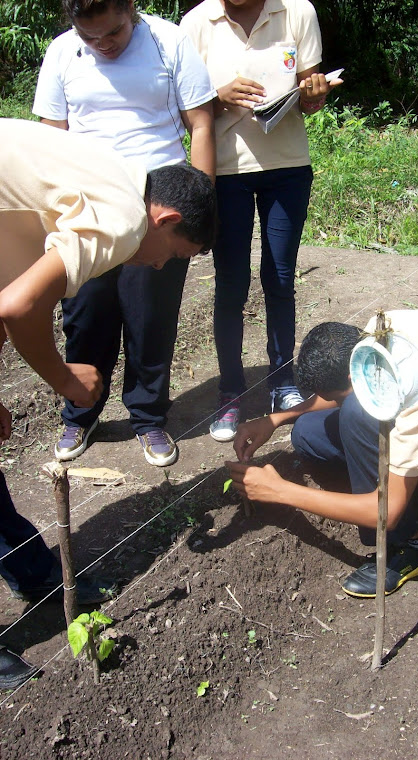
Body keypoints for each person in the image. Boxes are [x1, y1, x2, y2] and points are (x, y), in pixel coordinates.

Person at [0, 117, 216, 688]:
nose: (163, 265)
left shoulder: (111, 178)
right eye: (175, 254)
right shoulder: (122, 219)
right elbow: (21, 306)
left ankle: (36, 574)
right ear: (164, 219)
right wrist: (66, 381)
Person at [226, 310, 418, 596]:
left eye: (332, 394)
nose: (324, 399)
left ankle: (410, 547)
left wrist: (279, 491)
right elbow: (339, 395)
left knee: (357, 415)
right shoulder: (373, 335)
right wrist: (274, 419)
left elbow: (385, 512)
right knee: (308, 433)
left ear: (352, 379)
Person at [33, 0, 216, 467]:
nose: (102, 45)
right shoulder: (60, 53)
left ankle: (148, 417)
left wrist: (198, 204)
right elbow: (50, 137)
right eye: (89, 38)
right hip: (86, 207)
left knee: (150, 317)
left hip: (159, 207)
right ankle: (80, 412)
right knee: (86, 313)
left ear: (130, 9)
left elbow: (200, 123)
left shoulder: (169, 41)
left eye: (112, 33)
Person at [180, 0, 342, 442]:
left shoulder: (297, 12)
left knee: (281, 277)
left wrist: (313, 93)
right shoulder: (197, 23)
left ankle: (283, 383)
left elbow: (312, 99)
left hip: (287, 168)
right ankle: (230, 392)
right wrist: (217, 97)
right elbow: (180, 109)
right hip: (226, 172)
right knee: (230, 282)